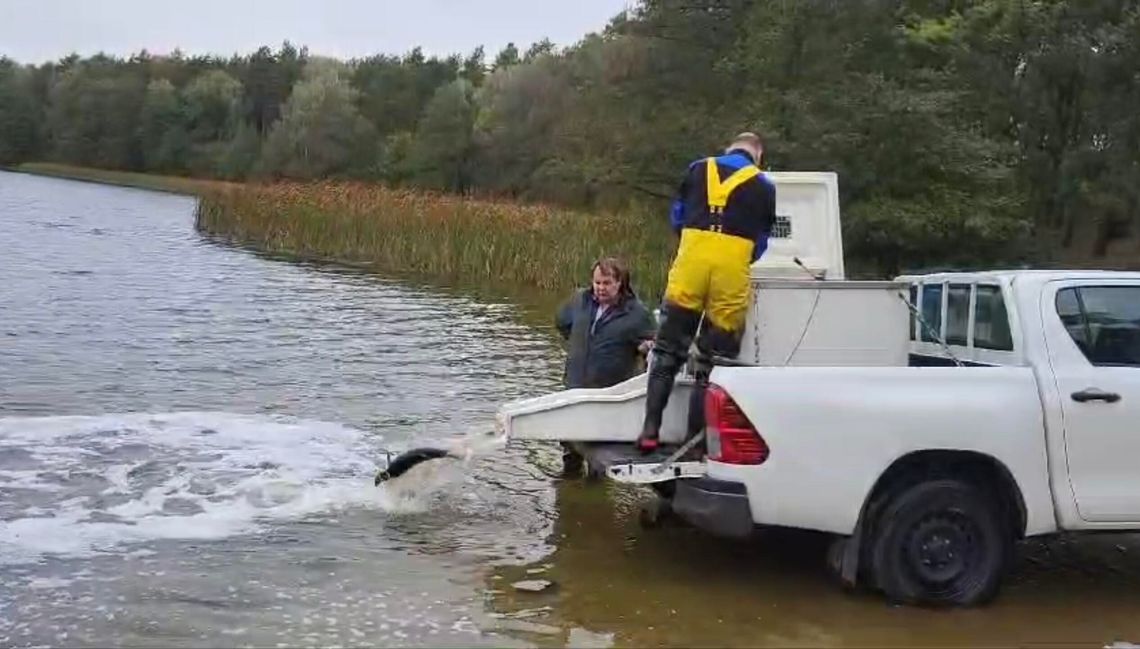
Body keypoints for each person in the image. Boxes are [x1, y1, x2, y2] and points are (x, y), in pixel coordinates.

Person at [636, 132, 777, 453]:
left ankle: (649, 431)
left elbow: (677, 216)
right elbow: (762, 241)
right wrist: (739, 257)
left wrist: (693, 243)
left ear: (729, 148)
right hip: (731, 272)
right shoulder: (765, 186)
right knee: (712, 362)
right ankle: (694, 442)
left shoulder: (698, 168)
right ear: (758, 156)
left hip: (692, 265)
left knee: (667, 352)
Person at [555, 256, 657, 474]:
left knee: (599, 457)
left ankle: (596, 492)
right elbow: (562, 323)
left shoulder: (637, 313)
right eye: (597, 283)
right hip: (575, 385)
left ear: (620, 283)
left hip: (609, 395)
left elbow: (652, 345)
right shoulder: (579, 300)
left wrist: (643, 347)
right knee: (570, 449)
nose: (600, 288)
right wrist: (579, 346)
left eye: (607, 283)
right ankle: (568, 492)